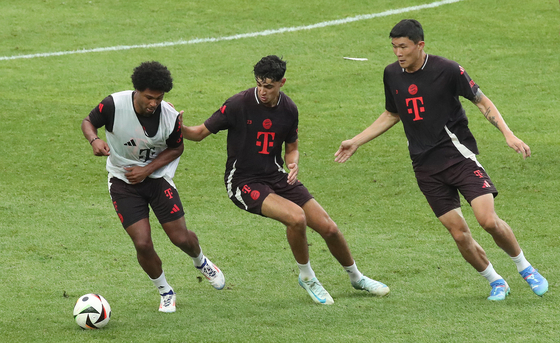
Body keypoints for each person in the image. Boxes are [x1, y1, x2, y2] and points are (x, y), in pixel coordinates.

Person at [335, 19, 548, 301]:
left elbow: (481, 100)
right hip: (425, 168)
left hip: (459, 158)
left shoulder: (447, 70)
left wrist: (508, 134)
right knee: (460, 234)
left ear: (420, 45)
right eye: (394, 47)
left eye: (403, 47)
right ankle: (495, 281)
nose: (398, 53)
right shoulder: (391, 74)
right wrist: (356, 140)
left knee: (487, 220)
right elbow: (392, 113)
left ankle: (525, 268)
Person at [181, 55, 389, 305]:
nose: (263, 91)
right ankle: (308, 277)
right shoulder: (238, 104)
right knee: (296, 217)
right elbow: (199, 134)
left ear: (282, 83)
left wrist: (293, 162)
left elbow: (292, 147)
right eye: (259, 84)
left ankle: (356, 277)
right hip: (243, 181)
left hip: (276, 175)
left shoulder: (289, 109)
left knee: (329, 228)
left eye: (268, 86)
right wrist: (176, 125)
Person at [81, 61, 225, 313]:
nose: (154, 103)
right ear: (136, 90)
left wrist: (147, 170)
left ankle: (200, 261)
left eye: (159, 98)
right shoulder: (114, 104)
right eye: (149, 97)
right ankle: (165, 291)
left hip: (157, 181)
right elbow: (88, 121)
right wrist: (94, 139)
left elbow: (177, 147)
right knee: (143, 243)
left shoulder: (169, 117)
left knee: (180, 238)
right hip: (123, 182)